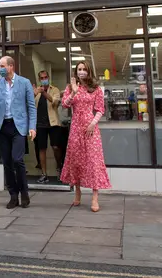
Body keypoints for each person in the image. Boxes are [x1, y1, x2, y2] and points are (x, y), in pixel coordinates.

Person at [0, 56, 36, 209]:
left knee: (17, 159)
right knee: (7, 163)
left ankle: (24, 192)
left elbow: (31, 107)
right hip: (2, 127)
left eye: (2, 66)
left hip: (19, 127)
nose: (0, 69)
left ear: (11, 66)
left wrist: (32, 127)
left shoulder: (24, 83)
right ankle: (13, 195)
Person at [61, 61, 111, 213]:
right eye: (79, 69)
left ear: (89, 71)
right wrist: (74, 92)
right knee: (76, 159)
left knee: (93, 161)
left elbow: (100, 109)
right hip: (75, 127)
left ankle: (95, 196)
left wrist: (92, 124)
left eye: (84, 69)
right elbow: (64, 105)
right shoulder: (70, 87)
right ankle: (77, 191)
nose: (82, 71)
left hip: (91, 128)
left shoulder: (95, 88)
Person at [33, 71, 63, 184]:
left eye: (46, 77)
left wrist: (44, 93)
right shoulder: (37, 92)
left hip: (53, 123)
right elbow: (29, 104)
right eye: (42, 78)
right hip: (40, 125)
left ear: (48, 78)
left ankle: (59, 168)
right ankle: (44, 174)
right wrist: (34, 93)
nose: (44, 79)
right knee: (42, 149)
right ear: (39, 79)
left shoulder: (54, 89)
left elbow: (55, 103)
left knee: (56, 147)